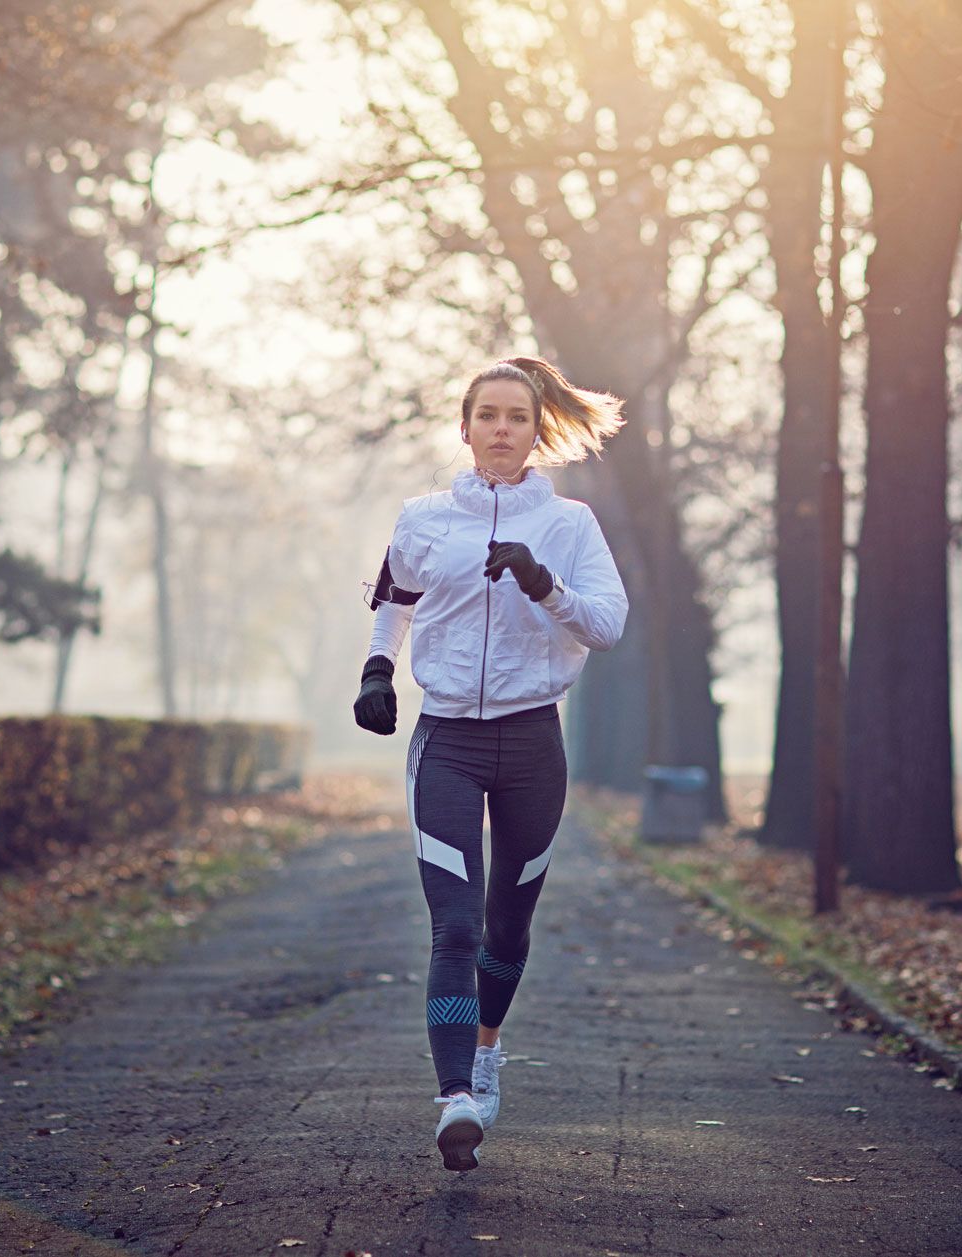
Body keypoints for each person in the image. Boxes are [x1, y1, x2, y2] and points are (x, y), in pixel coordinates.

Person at [353, 355, 629, 1172]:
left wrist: (542, 583)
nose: (501, 429)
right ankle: (453, 1098)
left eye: (516, 416)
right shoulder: (423, 517)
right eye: (487, 416)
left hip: (532, 744)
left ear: (537, 429)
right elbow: (394, 597)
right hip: (446, 740)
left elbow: (607, 625)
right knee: (457, 922)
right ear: (464, 427)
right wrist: (375, 670)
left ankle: (485, 1052)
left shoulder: (570, 525)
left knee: (507, 926)